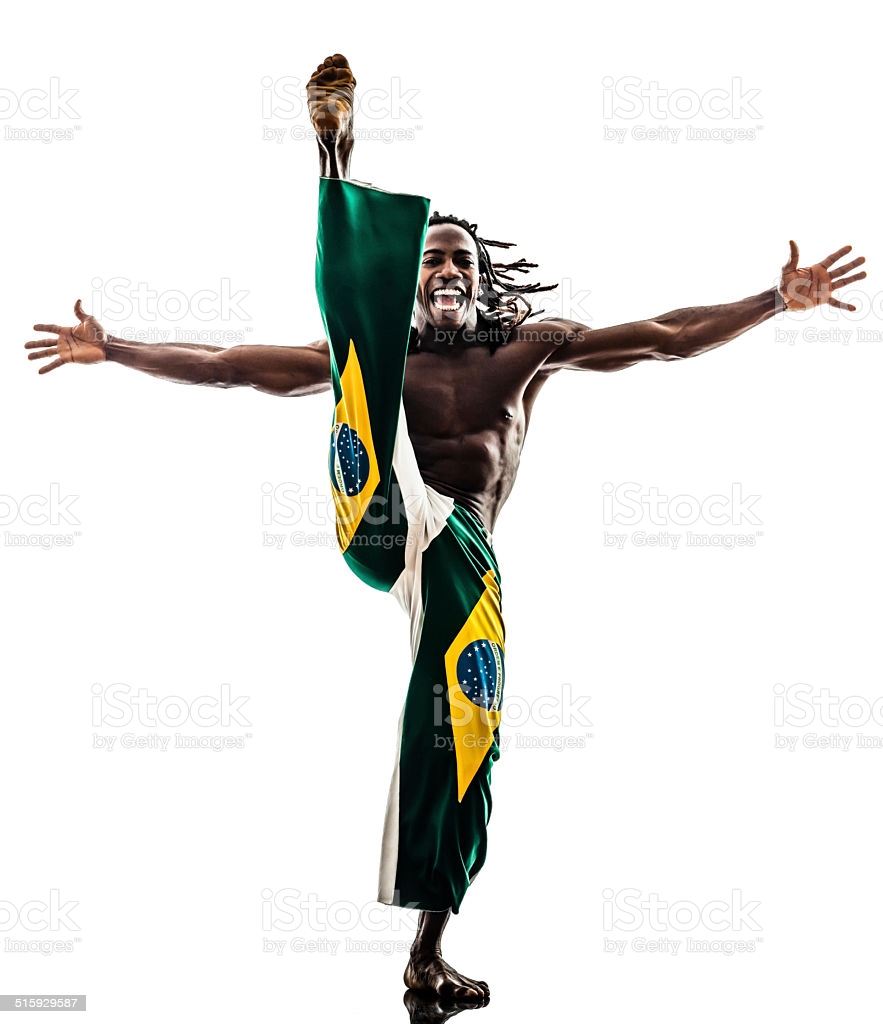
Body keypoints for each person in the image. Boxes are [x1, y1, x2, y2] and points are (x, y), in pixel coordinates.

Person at [26, 53, 866, 1005]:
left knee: (466, 727)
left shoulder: (529, 349)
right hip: (383, 509)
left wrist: (773, 299)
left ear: (482, 278)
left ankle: (426, 952)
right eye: (430, 257)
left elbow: (664, 339)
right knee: (360, 354)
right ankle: (334, 159)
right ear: (414, 276)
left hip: (461, 557)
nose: (447, 269)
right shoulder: (385, 356)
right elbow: (228, 365)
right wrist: (115, 349)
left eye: (460, 258)